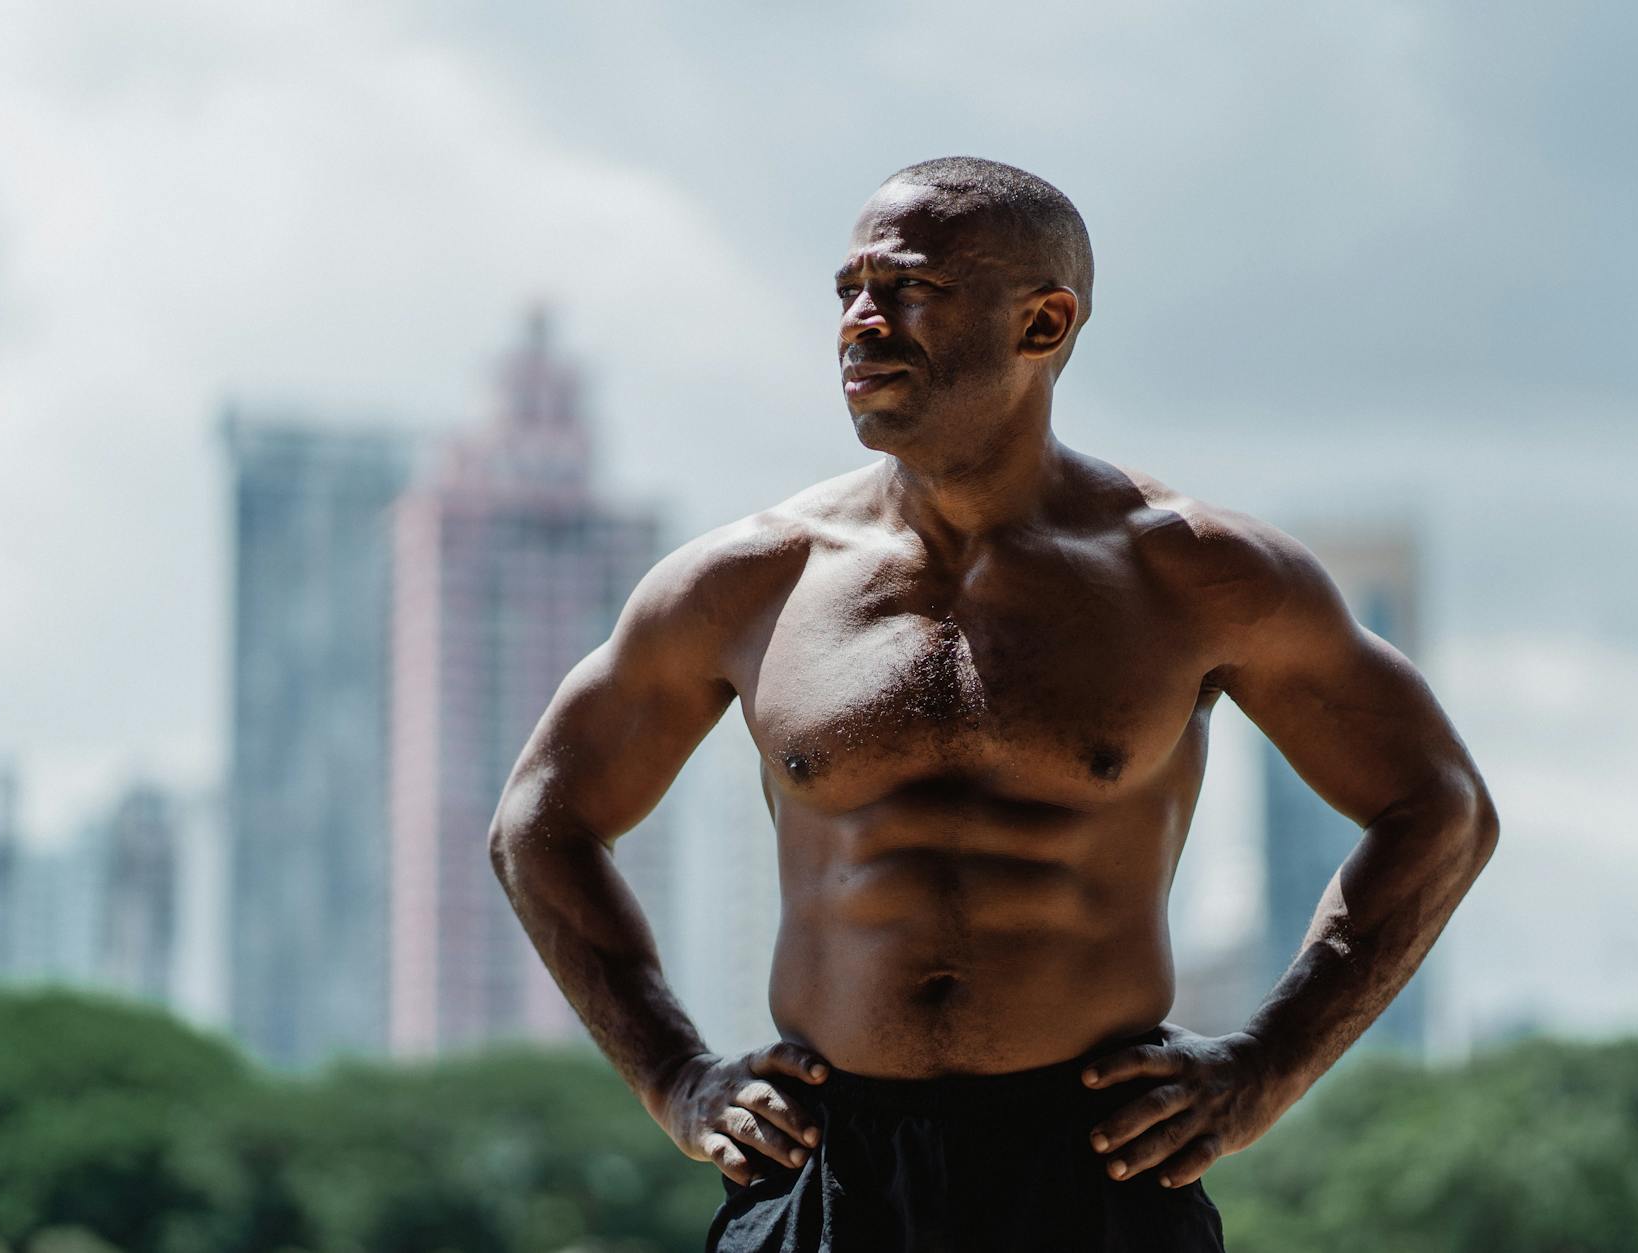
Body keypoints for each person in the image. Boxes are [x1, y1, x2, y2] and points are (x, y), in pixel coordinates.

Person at [488, 155, 1499, 1252]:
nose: (860, 324)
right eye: (847, 291)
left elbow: (1438, 808)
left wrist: (1261, 1068)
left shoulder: (1192, 575)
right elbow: (540, 821)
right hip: (825, 1168)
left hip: (1093, 1164)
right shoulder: (749, 582)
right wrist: (674, 1075)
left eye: (908, 288)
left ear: (1043, 322)